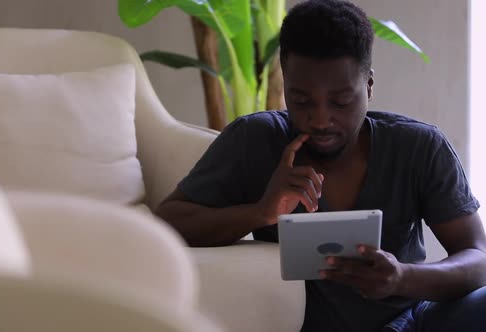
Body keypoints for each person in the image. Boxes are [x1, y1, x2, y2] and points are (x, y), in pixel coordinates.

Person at [155, 0, 486, 331]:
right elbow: (167, 223)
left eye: (341, 101)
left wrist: (403, 277)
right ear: (284, 84)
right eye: (300, 101)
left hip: (414, 320)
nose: (321, 119)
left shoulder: (419, 147)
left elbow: (478, 256)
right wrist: (261, 213)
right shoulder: (254, 141)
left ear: (368, 86)